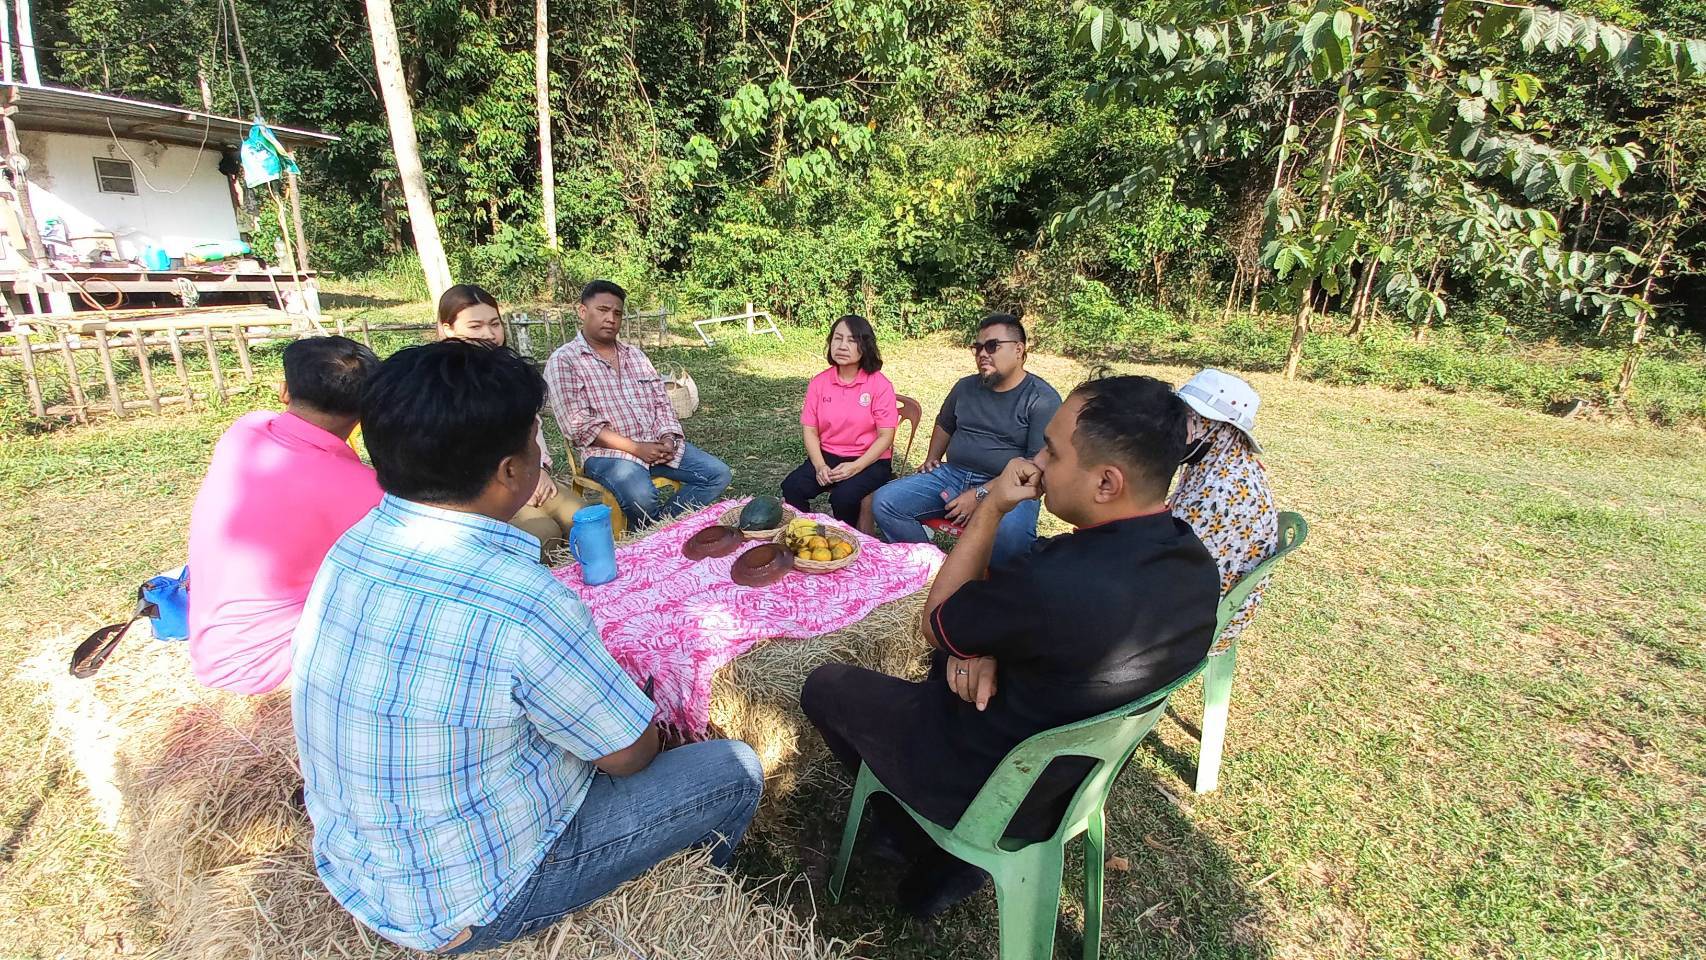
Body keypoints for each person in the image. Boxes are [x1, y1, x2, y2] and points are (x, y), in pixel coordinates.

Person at [292, 340, 764, 954]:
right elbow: (628, 755)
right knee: (733, 768)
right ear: (512, 471)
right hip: (477, 899)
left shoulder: (352, 546)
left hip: (358, 868)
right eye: (533, 442)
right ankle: (701, 882)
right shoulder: (523, 597)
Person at [801, 375, 1219, 917]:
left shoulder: (1053, 580)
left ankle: (926, 843)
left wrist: (992, 508)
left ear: (1107, 483)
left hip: (986, 781)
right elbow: (1047, 630)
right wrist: (983, 649)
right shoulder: (1196, 566)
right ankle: (935, 850)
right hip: (1069, 782)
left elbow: (935, 621)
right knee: (952, 657)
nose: (1038, 463)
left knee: (826, 685)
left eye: (1052, 450)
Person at [186, 335, 381, 695]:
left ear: (284, 391)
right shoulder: (366, 492)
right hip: (274, 666)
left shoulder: (245, 431)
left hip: (213, 650)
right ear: (367, 409)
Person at [869, 313, 1060, 569]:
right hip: (953, 475)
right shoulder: (965, 387)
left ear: (1018, 350)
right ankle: (932, 570)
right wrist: (932, 457)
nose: (982, 353)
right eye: (977, 347)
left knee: (1010, 541)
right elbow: (945, 423)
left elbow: (1034, 467)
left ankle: (985, 591)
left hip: (1010, 486)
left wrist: (980, 495)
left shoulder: (1041, 399)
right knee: (885, 502)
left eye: (992, 346)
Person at [544, 279, 732, 526]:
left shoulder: (635, 356)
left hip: (655, 447)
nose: (611, 318)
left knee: (718, 474)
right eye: (602, 310)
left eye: (617, 313)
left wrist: (667, 438)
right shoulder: (565, 360)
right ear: (582, 311)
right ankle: (655, 536)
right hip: (608, 454)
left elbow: (662, 403)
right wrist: (636, 448)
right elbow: (577, 426)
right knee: (642, 496)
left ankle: (658, 531)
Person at [437, 283, 577, 559]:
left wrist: (538, 471)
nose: (488, 335)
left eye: (494, 324)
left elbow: (531, 427)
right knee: (543, 534)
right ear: (447, 329)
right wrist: (509, 483)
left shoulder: (510, 372)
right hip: (479, 490)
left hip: (528, 473)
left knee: (584, 518)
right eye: (475, 327)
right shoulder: (440, 382)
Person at [1174, 368, 1278, 648]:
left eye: (1187, 418)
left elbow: (1180, 573)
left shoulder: (1224, 488)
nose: (1175, 426)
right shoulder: (1211, 462)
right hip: (1190, 593)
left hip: (1199, 619)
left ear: (1217, 428)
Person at [780, 314, 899, 525]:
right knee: (792, 487)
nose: (843, 346)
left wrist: (855, 467)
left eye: (852, 340)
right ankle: (804, 532)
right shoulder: (819, 382)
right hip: (828, 455)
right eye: (838, 338)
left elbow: (886, 436)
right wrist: (819, 466)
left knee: (843, 498)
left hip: (870, 460)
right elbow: (810, 430)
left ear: (865, 346)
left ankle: (850, 541)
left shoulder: (879, 385)